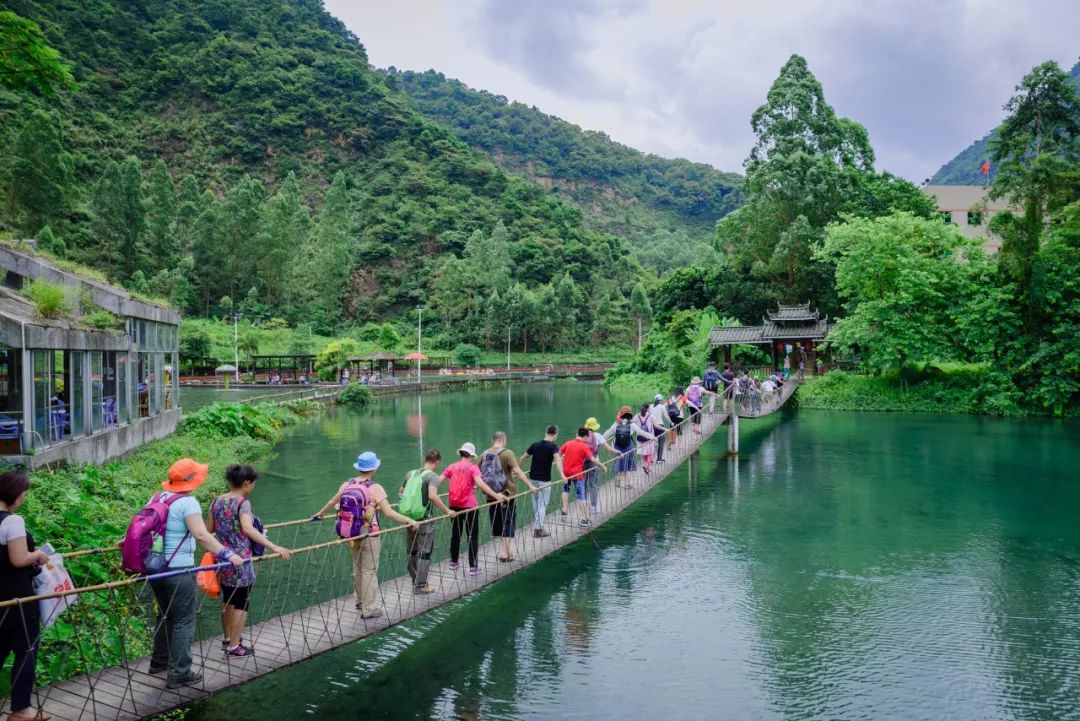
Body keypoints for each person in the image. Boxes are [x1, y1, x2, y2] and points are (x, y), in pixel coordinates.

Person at [146, 459, 243, 689]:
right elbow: (201, 535)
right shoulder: (187, 503)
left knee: (165, 614)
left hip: (154, 568)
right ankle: (179, 673)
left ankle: (159, 662)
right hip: (179, 570)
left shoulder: (157, 498)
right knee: (183, 620)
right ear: (191, 480)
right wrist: (229, 554)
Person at [311, 452, 418, 619]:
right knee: (369, 570)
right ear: (374, 468)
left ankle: (359, 600)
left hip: (350, 534)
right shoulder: (375, 487)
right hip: (369, 534)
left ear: (359, 468)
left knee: (357, 567)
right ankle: (369, 609)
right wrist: (409, 520)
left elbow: (333, 502)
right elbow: (389, 512)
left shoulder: (347, 484)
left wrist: (320, 513)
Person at [207, 464, 293, 658]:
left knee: (227, 599)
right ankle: (235, 646)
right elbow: (247, 528)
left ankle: (228, 639)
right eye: (253, 483)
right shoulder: (242, 503)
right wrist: (274, 546)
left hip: (221, 559)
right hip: (240, 561)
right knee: (241, 602)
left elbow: (209, 530)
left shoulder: (216, 501)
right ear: (247, 483)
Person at [0, 472, 51, 721]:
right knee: (26, 650)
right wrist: (38, 555)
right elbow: (19, 558)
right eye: (23, 494)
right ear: (15, 495)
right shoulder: (12, 521)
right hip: (18, 598)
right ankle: (21, 710)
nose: (23, 498)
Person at [399, 450, 453, 594]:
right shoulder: (433, 476)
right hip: (425, 520)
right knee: (424, 553)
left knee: (412, 551)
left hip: (409, 519)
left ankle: (414, 581)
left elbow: (401, 493)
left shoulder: (410, 474)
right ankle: (421, 585)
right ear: (438, 462)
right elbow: (433, 496)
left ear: (425, 459)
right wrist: (447, 511)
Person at [443, 443, 500, 575]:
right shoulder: (473, 467)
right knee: (472, 536)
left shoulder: (451, 466)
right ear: (471, 455)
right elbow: (480, 484)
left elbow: (439, 480)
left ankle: (453, 562)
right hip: (470, 506)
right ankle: (473, 567)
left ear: (461, 453)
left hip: (453, 505)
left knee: (455, 534)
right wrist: (495, 495)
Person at [480, 432, 536, 563]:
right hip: (507, 494)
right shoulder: (508, 453)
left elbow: (477, 476)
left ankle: (506, 550)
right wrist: (530, 485)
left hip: (491, 495)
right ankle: (505, 553)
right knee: (508, 522)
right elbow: (518, 471)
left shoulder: (484, 454)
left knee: (499, 523)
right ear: (503, 440)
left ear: (492, 440)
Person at [520, 426, 563, 538]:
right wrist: (562, 475)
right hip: (544, 480)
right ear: (555, 435)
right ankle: (538, 529)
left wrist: (517, 469)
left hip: (532, 479)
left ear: (546, 433)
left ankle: (538, 526)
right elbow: (558, 460)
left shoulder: (535, 444)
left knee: (536, 503)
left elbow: (524, 457)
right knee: (542, 505)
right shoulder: (553, 446)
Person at [559, 429, 604, 527]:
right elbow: (593, 459)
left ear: (577, 434)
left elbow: (558, 454)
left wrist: (563, 459)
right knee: (581, 496)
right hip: (577, 474)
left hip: (566, 472)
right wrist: (603, 466)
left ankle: (564, 512)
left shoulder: (567, 443)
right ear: (585, 436)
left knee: (565, 490)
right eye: (588, 437)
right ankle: (584, 520)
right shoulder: (584, 446)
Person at [574, 418, 617, 516]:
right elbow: (608, 448)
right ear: (595, 427)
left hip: (582, 463)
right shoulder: (597, 436)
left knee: (583, 484)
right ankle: (594, 507)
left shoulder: (580, 435)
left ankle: (583, 505)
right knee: (593, 485)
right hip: (594, 463)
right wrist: (618, 452)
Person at [604, 408, 654, 489]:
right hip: (628, 446)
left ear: (622, 415)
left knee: (619, 461)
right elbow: (641, 432)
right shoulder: (632, 424)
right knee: (628, 465)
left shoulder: (617, 423)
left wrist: (600, 440)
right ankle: (628, 484)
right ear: (630, 416)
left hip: (618, 446)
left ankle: (618, 481)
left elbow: (609, 432)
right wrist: (652, 437)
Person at [634, 403, 658, 474]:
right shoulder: (651, 415)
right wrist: (664, 429)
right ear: (647, 408)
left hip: (640, 437)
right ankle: (646, 465)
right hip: (649, 437)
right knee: (650, 453)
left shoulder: (637, 415)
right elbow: (656, 425)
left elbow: (632, 423)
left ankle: (648, 467)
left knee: (644, 453)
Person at [649, 394, 670, 464]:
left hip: (652, 426)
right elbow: (666, 416)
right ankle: (659, 459)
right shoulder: (662, 406)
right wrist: (671, 423)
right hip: (660, 427)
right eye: (661, 400)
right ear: (660, 400)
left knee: (652, 443)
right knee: (661, 442)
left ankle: (650, 459)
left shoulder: (650, 406)